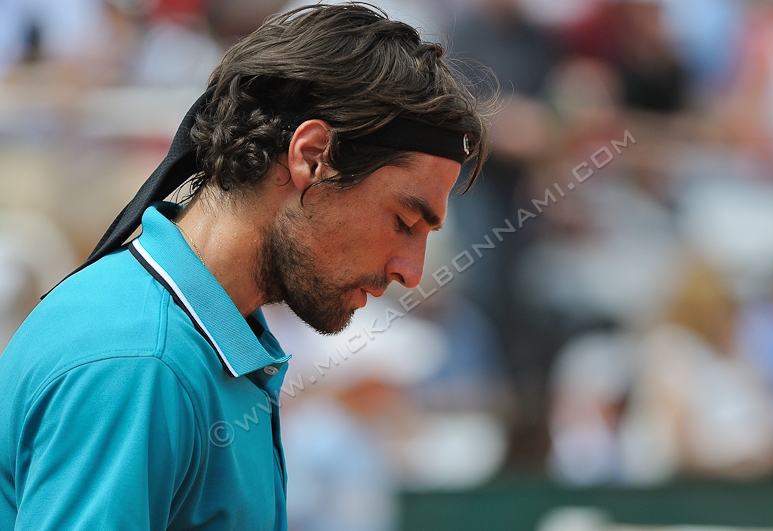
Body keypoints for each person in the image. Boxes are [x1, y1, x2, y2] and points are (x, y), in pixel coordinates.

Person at [0, 4, 490, 530]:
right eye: (402, 221)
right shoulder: (142, 361)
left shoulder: (193, 342)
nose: (411, 272)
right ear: (314, 157)